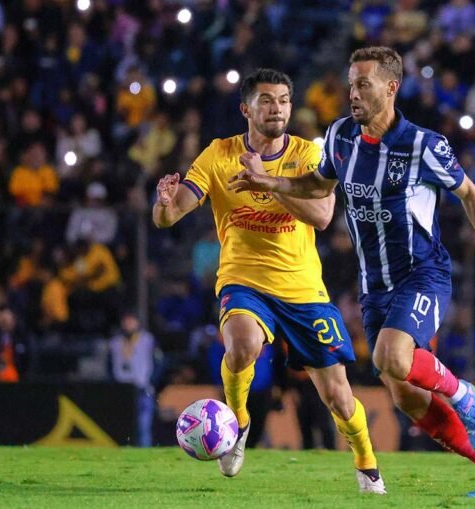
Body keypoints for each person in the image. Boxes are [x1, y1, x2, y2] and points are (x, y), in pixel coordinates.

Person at [229, 47, 475, 498]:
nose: (353, 93)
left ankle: (461, 393)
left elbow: (471, 194)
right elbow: (319, 185)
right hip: (375, 285)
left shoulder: (423, 144)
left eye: (363, 85)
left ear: (390, 88)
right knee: (403, 394)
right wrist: (271, 182)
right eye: (351, 84)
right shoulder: (341, 136)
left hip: (422, 274)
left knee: (391, 356)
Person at [153, 69, 385, 494]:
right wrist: (164, 204)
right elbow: (169, 216)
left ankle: (367, 464)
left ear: (290, 108)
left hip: (303, 289)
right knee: (242, 344)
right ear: (246, 109)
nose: (276, 107)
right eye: (265, 100)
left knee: (338, 396)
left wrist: (268, 183)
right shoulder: (219, 154)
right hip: (243, 280)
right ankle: (238, 423)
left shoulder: (308, 155)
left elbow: (322, 216)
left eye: (282, 100)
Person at [109, 310, 156, 447]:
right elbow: (109, 364)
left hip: (142, 387)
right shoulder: (115, 342)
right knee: (122, 424)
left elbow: (157, 362)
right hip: (122, 388)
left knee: (143, 425)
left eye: (131, 320)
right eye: (126, 321)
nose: (128, 324)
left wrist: (151, 381)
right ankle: (122, 450)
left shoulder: (147, 340)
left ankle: (145, 452)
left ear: (137, 322)